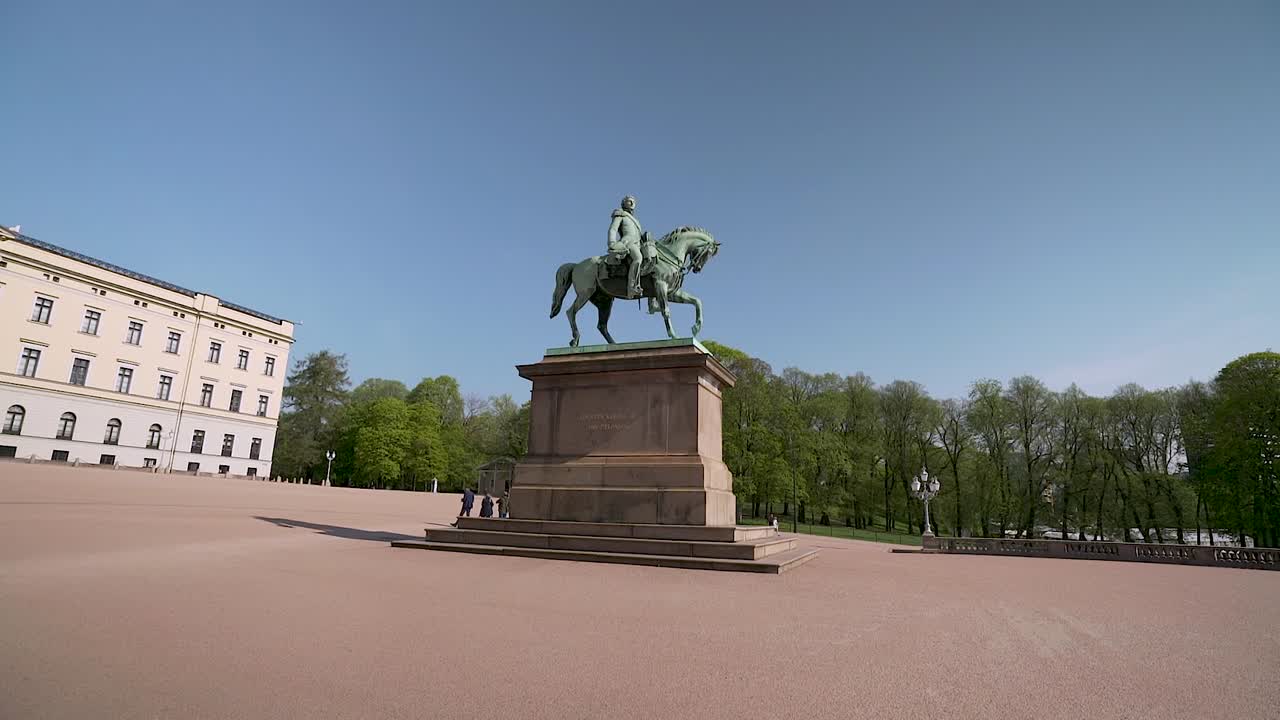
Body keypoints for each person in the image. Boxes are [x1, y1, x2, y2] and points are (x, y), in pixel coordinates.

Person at [607, 195, 645, 298]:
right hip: (628, 242)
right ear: (624, 203)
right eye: (629, 201)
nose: (632, 203)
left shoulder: (636, 221)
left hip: (638, 244)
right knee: (638, 258)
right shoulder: (620, 214)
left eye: (633, 201)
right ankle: (632, 287)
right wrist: (611, 242)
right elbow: (613, 229)